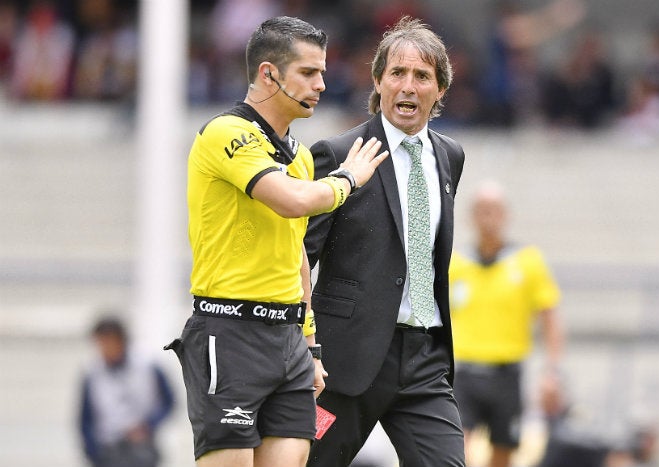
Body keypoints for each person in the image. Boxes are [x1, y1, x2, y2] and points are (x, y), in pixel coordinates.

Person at [164, 16, 389, 467]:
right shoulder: (226, 133)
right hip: (230, 334)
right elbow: (290, 201)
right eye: (308, 73)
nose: (322, 84)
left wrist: (310, 345)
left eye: (323, 72)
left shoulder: (301, 155)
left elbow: (297, 257)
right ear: (269, 74)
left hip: (287, 342)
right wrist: (348, 179)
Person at [304, 16, 467, 467]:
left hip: (424, 361)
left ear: (439, 90)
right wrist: (305, 345)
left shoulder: (451, 156)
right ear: (378, 81)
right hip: (343, 361)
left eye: (422, 76)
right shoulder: (338, 154)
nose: (408, 86)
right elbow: (299, 257)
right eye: (397, 73)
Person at [448, 179, 565, 467]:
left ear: (506, 215)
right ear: (471, 217)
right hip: (464, 372)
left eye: (495, 210)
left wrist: (552, 371)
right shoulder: (456, 263)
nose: (488, 217)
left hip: (507, 373)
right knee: (454, 450)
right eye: (482, 210)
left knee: (503, 453)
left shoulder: (527, 262)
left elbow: (549, 317)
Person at [78, 315, 175, 467]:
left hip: (141, 449)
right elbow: (85, 419)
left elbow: (169, 402)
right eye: (101, 342)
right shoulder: (92, 373)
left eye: (109, 341)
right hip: (107, 450)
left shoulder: (147, 366)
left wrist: (148, 426)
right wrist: (93, 452)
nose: (105, 348)